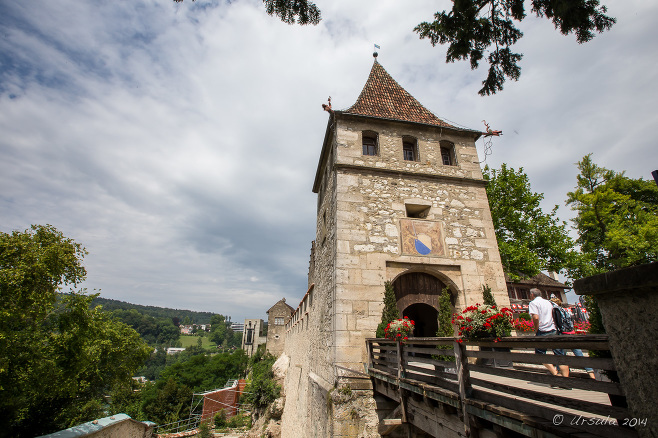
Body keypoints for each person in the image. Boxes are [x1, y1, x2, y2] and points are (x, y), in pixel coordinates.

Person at [528, 288, 569, 379]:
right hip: (554, 330)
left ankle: (555, 373)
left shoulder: (533, 303)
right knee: (560, 355)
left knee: (540, 355)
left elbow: (535, 317)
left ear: (532, 295)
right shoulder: (549, 302)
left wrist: (536, 329)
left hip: (542, 331)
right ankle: (566, 380)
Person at [551, 297, 596, 379]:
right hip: (571, 333)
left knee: (560, 355)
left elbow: (558, 323)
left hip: (562, 334)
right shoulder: (565, 310)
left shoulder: (555, 309)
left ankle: (561, 375)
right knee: (579, 354)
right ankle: (591, 374)